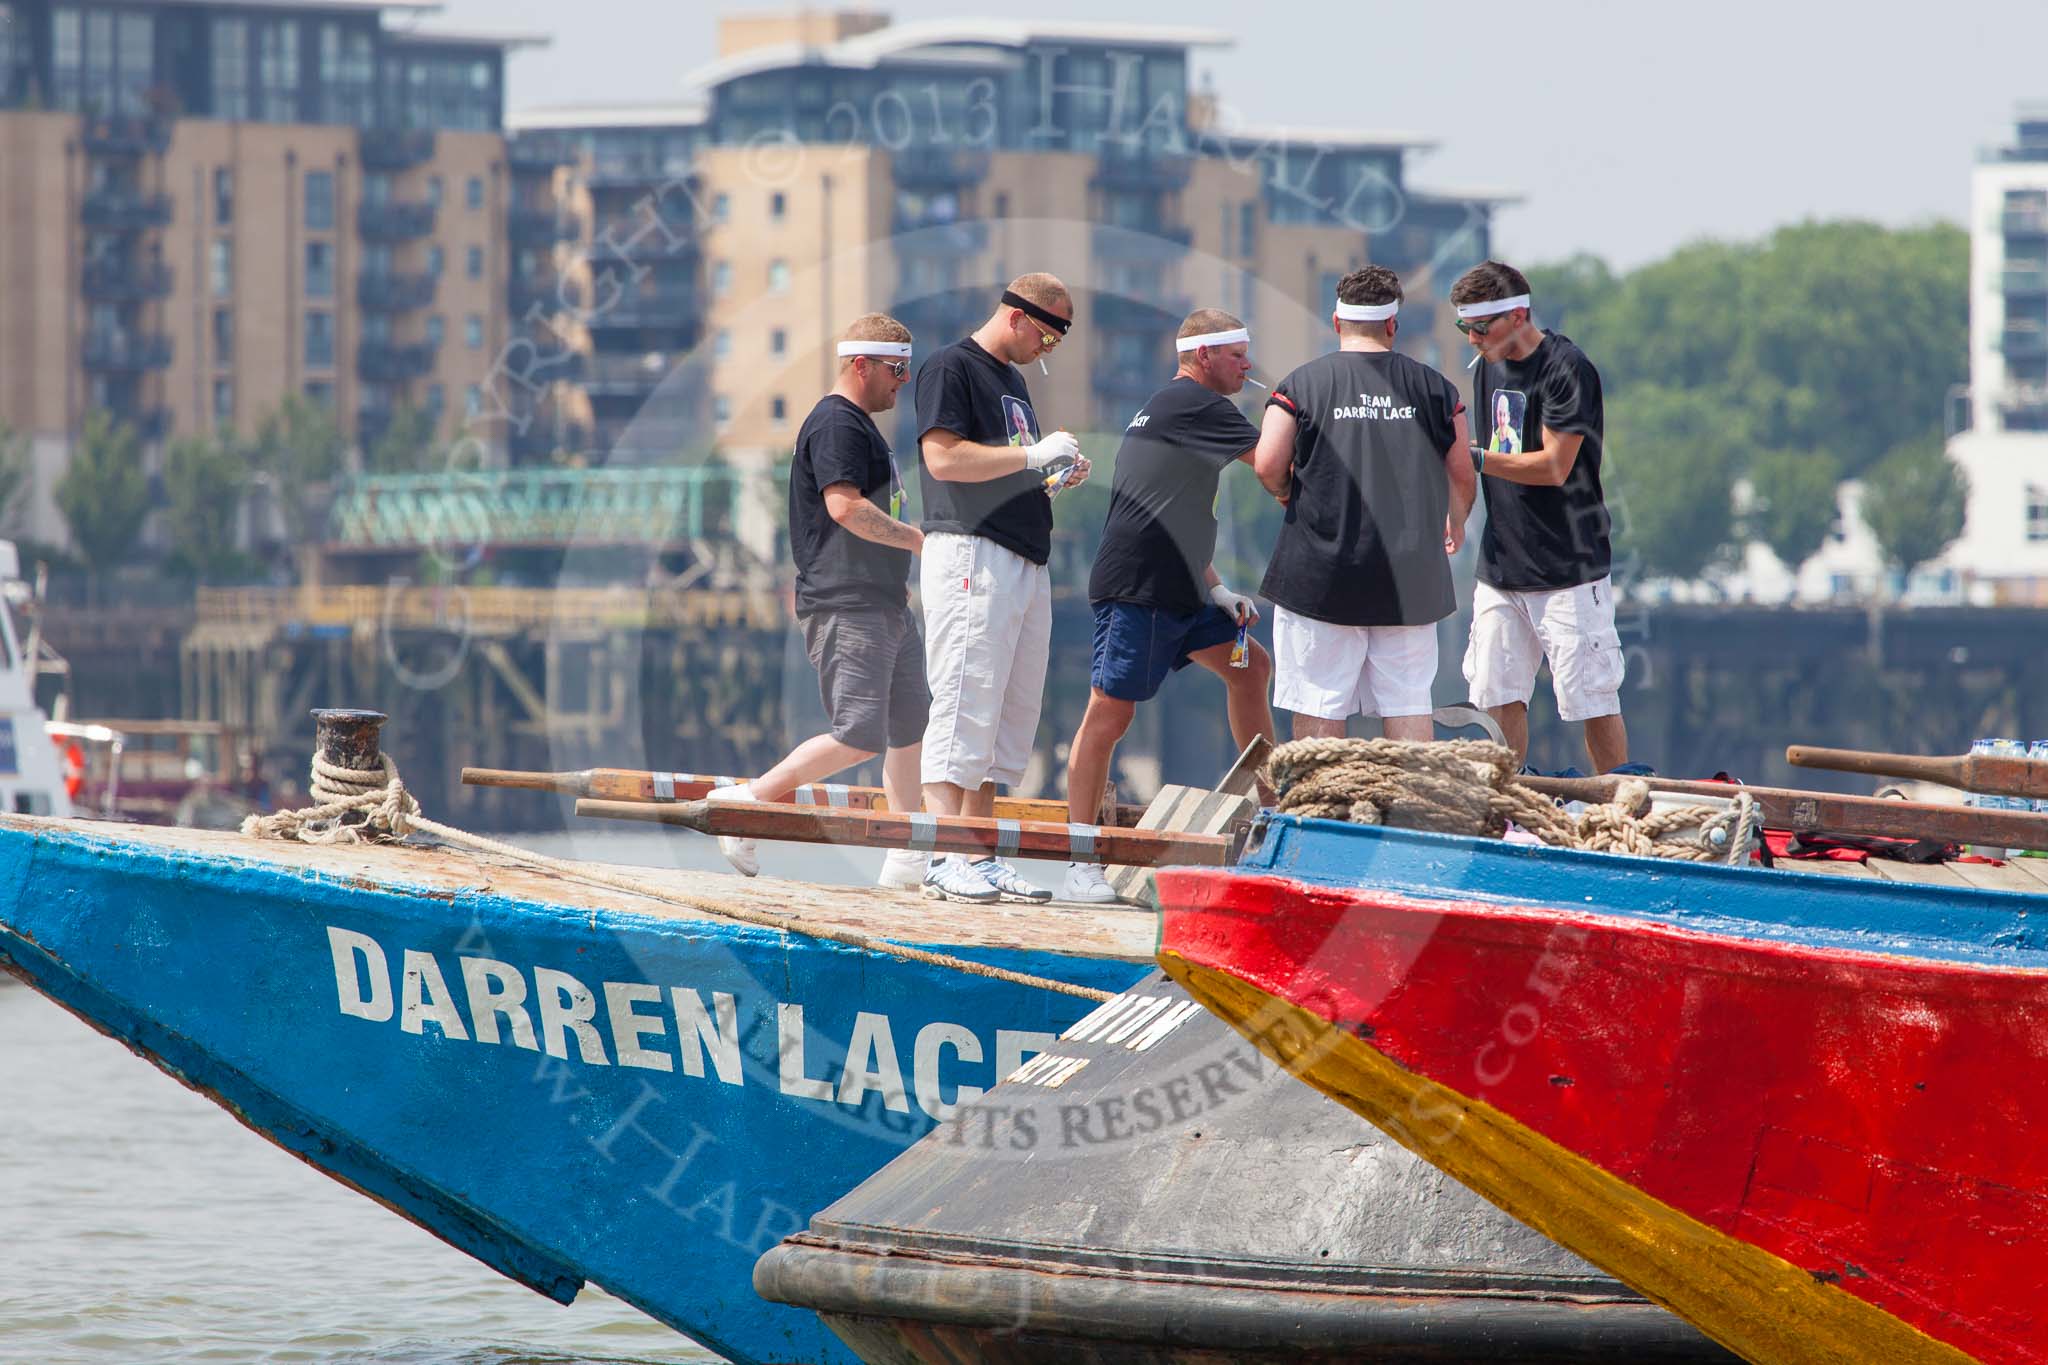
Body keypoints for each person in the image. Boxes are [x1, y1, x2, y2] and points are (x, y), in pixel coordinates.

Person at [707, 314, 931, 889]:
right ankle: (748, 803)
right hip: (846, 603)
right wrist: (918, 542)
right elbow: (844, 507)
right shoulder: (837, 423)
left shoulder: (860, 425)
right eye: (896, 368)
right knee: (859, 732)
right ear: (862, 365)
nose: (902, 381)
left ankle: (908, 853)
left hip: (884, 603)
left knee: (911, 723)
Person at [1061, 309, 1276, 904]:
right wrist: (1288, 411)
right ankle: (1080, 861)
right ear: (1203, 357)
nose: (1247, 365)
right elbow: (1274, 470)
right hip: (1138, 588)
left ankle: (1274, 812)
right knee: (1110, 713)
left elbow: (1167, 513)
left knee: (1249, 667)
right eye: (1238, 356)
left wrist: (1217, 590)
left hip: (1183, 586)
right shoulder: (1201, 407)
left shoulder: (1169, 406)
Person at [914, 273, 1093, 903]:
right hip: (969, 548)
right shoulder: (950, 367)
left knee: (1004, 720)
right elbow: (944, 460)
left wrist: (1051, 472)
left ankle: (979, 854)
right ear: (1018, 317)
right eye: (1046, 336)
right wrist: (1032, 455)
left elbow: (1008, 467)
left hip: (1022, 555)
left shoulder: (1014, 384)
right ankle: (943, 853)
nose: (1048, 352)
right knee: (964, 699)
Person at [1253, 265, 1475, 742]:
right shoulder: (1436, 389)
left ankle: (1319, 812)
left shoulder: (1302, 384)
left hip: (1318, 576)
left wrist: (1285, 493)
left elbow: (1268, 463)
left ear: (1336, 323)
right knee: (1409, 702)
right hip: (1410, 578)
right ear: (1393, 325)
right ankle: (1412, 812)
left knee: (1318, 702)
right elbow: (1461, 473)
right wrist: (1454, 524)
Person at [1450, 260, 1628, 773]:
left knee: (1591, 698)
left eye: (1481, 327)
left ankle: (1617, 804)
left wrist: (1474, 457)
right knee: (1495, 693)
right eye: (1466, 328)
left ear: (1519, 315)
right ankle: (1505, 806)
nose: (1472, 339)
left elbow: (1553, 466)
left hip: (1569, 568)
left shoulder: (1566, 369)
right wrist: (1458, 513)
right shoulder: (1486, 366)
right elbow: (1487, 465)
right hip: (1503, 565)